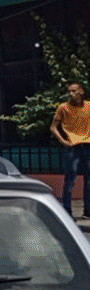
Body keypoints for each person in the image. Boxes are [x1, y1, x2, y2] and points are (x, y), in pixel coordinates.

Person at [51, 82, 90, 218]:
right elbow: (53, 127)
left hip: (88, 145)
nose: (71, 94)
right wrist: (63, 141)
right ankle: (67, 210)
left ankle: (88, 211)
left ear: (81, 92)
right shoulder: (64, 107)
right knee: (70, 179)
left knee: (89, 180)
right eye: (69, 91)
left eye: (74, 91)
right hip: (72, 147)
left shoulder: (88, 106)